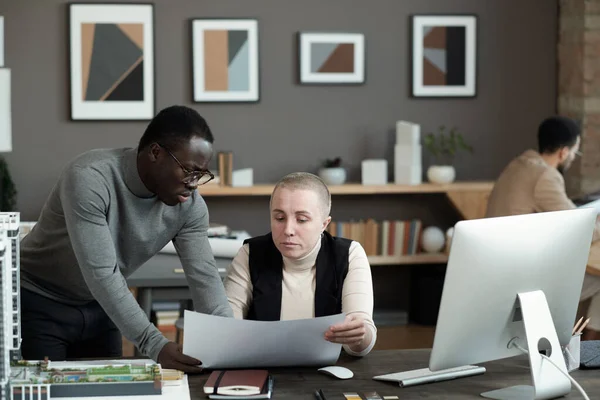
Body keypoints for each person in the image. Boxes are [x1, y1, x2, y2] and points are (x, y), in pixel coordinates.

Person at [19, 105, 232, 371]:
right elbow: (103, 275)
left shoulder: (189, 206)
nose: (193, 183)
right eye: (189, 170)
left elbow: (205, 278)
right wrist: (154, 344)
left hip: (102, 308)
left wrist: (229, 341)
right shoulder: (89, 178)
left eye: (200, 175)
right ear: (156, 152)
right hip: (40, 302)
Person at [223, 172, 377, 356]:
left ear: (324, 224)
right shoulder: (250, 253)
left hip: (327, 373)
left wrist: (359, 335)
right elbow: (227, 329)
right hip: (262, 367)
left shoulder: (349, 254)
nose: (288, 230)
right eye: (279, 218)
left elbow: (362, 341)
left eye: (302, 220)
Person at [485, 115, 600, 340]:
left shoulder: (519, 164)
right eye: (575, 152)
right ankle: (590, 347)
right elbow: (578, 230)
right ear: (564, 152)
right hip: (522, 277)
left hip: (499, 267)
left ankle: (586, 340)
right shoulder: (545, 176)